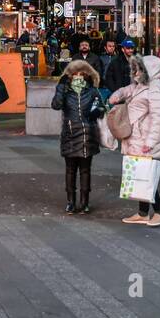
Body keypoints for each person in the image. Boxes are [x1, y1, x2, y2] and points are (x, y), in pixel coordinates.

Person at [110, 55, 160, 226]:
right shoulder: (141, 85)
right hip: (136, 137)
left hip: (144, 139)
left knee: (146, 175)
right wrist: (117, 95)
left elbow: (157, 118)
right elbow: (126, 90)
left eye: (139, 68)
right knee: (140, 174)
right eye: (135, 67)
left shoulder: (155, 89)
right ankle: (143, 213)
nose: (135, 71)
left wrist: (150, 142)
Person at [51, 59, 104, 214]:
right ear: (70, 76)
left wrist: (97, 110)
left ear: (87, 75)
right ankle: (70, 202)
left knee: (85, 170)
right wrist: (61, 86)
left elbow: (101, 109)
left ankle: (84, 202)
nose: (78, 77)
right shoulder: (65, 90)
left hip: (88, 134)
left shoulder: (92, 91)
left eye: (81, 74)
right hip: (70, 133)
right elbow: (56, 105)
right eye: (75, 74)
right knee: (70, 170)